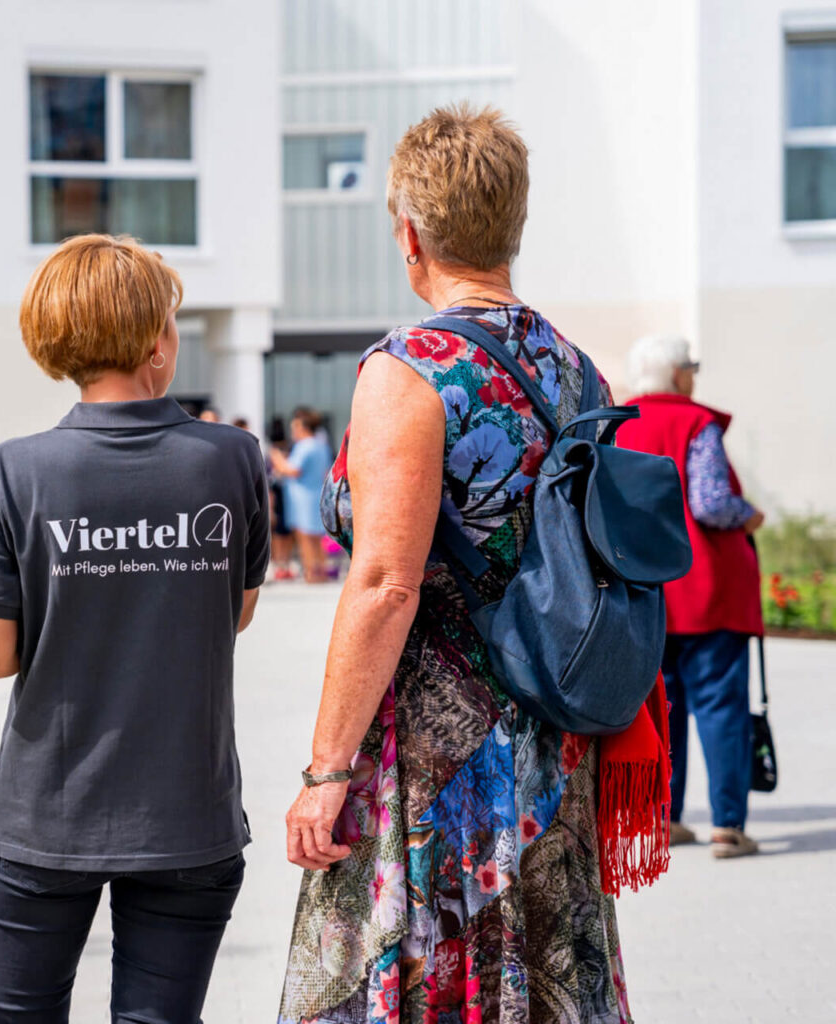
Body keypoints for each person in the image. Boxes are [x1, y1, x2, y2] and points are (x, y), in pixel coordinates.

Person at [277, 105, 643, 1023]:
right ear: (512, 225)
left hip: (438, 760)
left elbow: (385, 582)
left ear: (409, 231)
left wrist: (326, 771)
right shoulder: (578, 370)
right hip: (553, 737)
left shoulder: (411, 368)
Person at [0, 233, 269, 1023]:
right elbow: (235, 613)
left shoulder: (12, 472)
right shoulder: (229, 459)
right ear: (160, 341)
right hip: (188, 817)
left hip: (46, 820)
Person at [615, 335, 763, 859]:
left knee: (662, 707)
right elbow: (709, 502)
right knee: (722, 706)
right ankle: (728, 825)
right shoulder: (695, 423)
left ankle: (666, 819)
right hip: (707, 591)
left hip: (644, 592)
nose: (695, 377)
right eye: (692, 368)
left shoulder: (616, 422)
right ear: (678, 375)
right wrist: (749, 515)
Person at [270, 407, 330, 582]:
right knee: (316, 538)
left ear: (303, 428)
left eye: (295, 427)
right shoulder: (321, 445)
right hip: (317, 494)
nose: (293, 432)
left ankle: (311, 573)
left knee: (305, 536)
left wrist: (276, 456)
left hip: (302, 498)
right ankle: (321, 572)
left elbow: (292, 469)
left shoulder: (305, 446)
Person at [267, 418, 298, 580]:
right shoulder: (286, 449)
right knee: (282, 531)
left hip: (281, 493)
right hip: (281, 494)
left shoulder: (273, 452)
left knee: (281, 531)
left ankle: (281, 563)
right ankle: (282, 563)